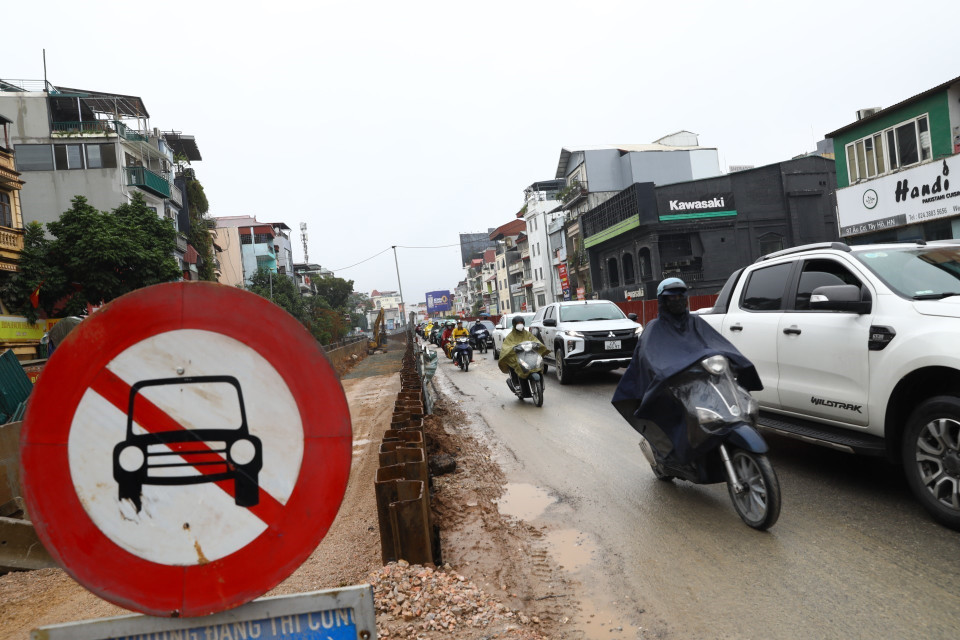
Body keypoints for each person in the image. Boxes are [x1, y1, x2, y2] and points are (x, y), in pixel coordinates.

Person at [611, 277, 762, 466]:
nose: (677, 300)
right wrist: (667, 372)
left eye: (680, 296)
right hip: (673, 385)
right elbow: (650, 358)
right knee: (675, 413)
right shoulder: (654, 328)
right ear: (662, 300)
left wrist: (732, 360)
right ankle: (674, 455)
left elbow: (716, 344)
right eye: (671, 297)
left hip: (701, 383)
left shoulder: (696, 322)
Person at [498, 315, 549, 391]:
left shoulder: (527, 334)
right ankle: (516, 384)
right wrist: (512, 348)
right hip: (517, 356)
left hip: (528, 355)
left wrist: (538, 345)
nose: (520, 325)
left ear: (523, 323)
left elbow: (535, 340)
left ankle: (540, 384)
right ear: (514, 324)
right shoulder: (510, 336)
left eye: (521, 323)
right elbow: (506, 346)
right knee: (514, 365)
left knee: (537, 364)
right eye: (518, 323)